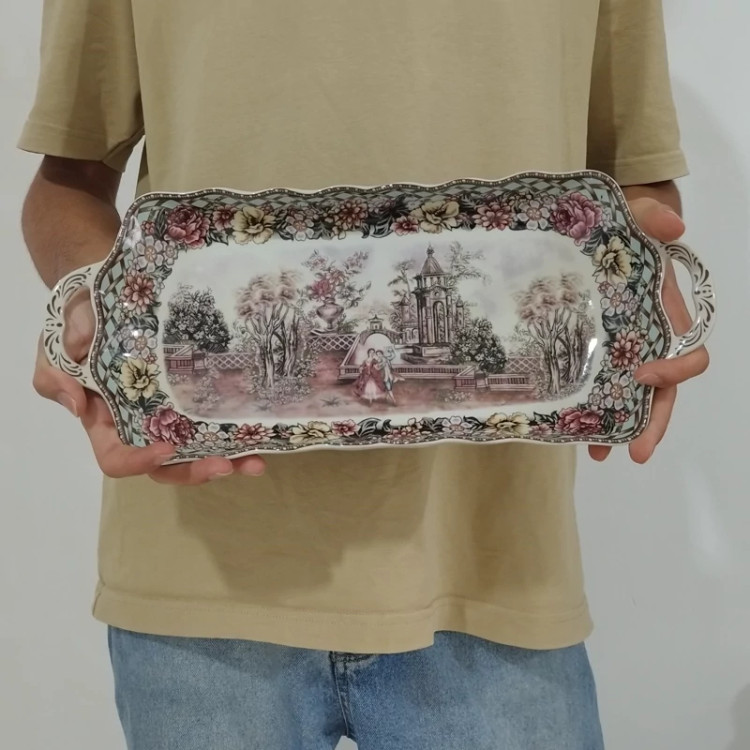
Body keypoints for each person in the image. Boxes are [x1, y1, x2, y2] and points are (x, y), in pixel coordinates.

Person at [19, 1, 709, 748]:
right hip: (199, 580)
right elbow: (68, 181)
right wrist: (89, 305)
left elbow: (633, 188)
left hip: (497, 575)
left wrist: (643, 295)